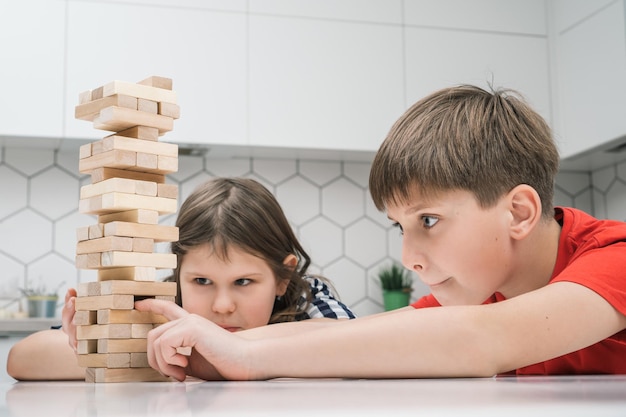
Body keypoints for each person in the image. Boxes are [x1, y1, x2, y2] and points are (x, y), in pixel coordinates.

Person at [134, 84, 626, 381]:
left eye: (428, 221)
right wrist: (214, 353)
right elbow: (362, 336)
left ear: (518, 212)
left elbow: (481, 340)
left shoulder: (616, 258)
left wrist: (244, 353)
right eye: (400, 226)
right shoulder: (481, 290)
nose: (409, 256)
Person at [6, 177, 355, 381]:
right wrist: (105, 347)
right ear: (177, 273)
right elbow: (22, 357)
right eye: (201, 282)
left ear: (283, 277)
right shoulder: (160, 307)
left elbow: (351, 341)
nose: (222, 306)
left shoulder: (308, 300)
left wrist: (205, 354)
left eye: (244, 282)